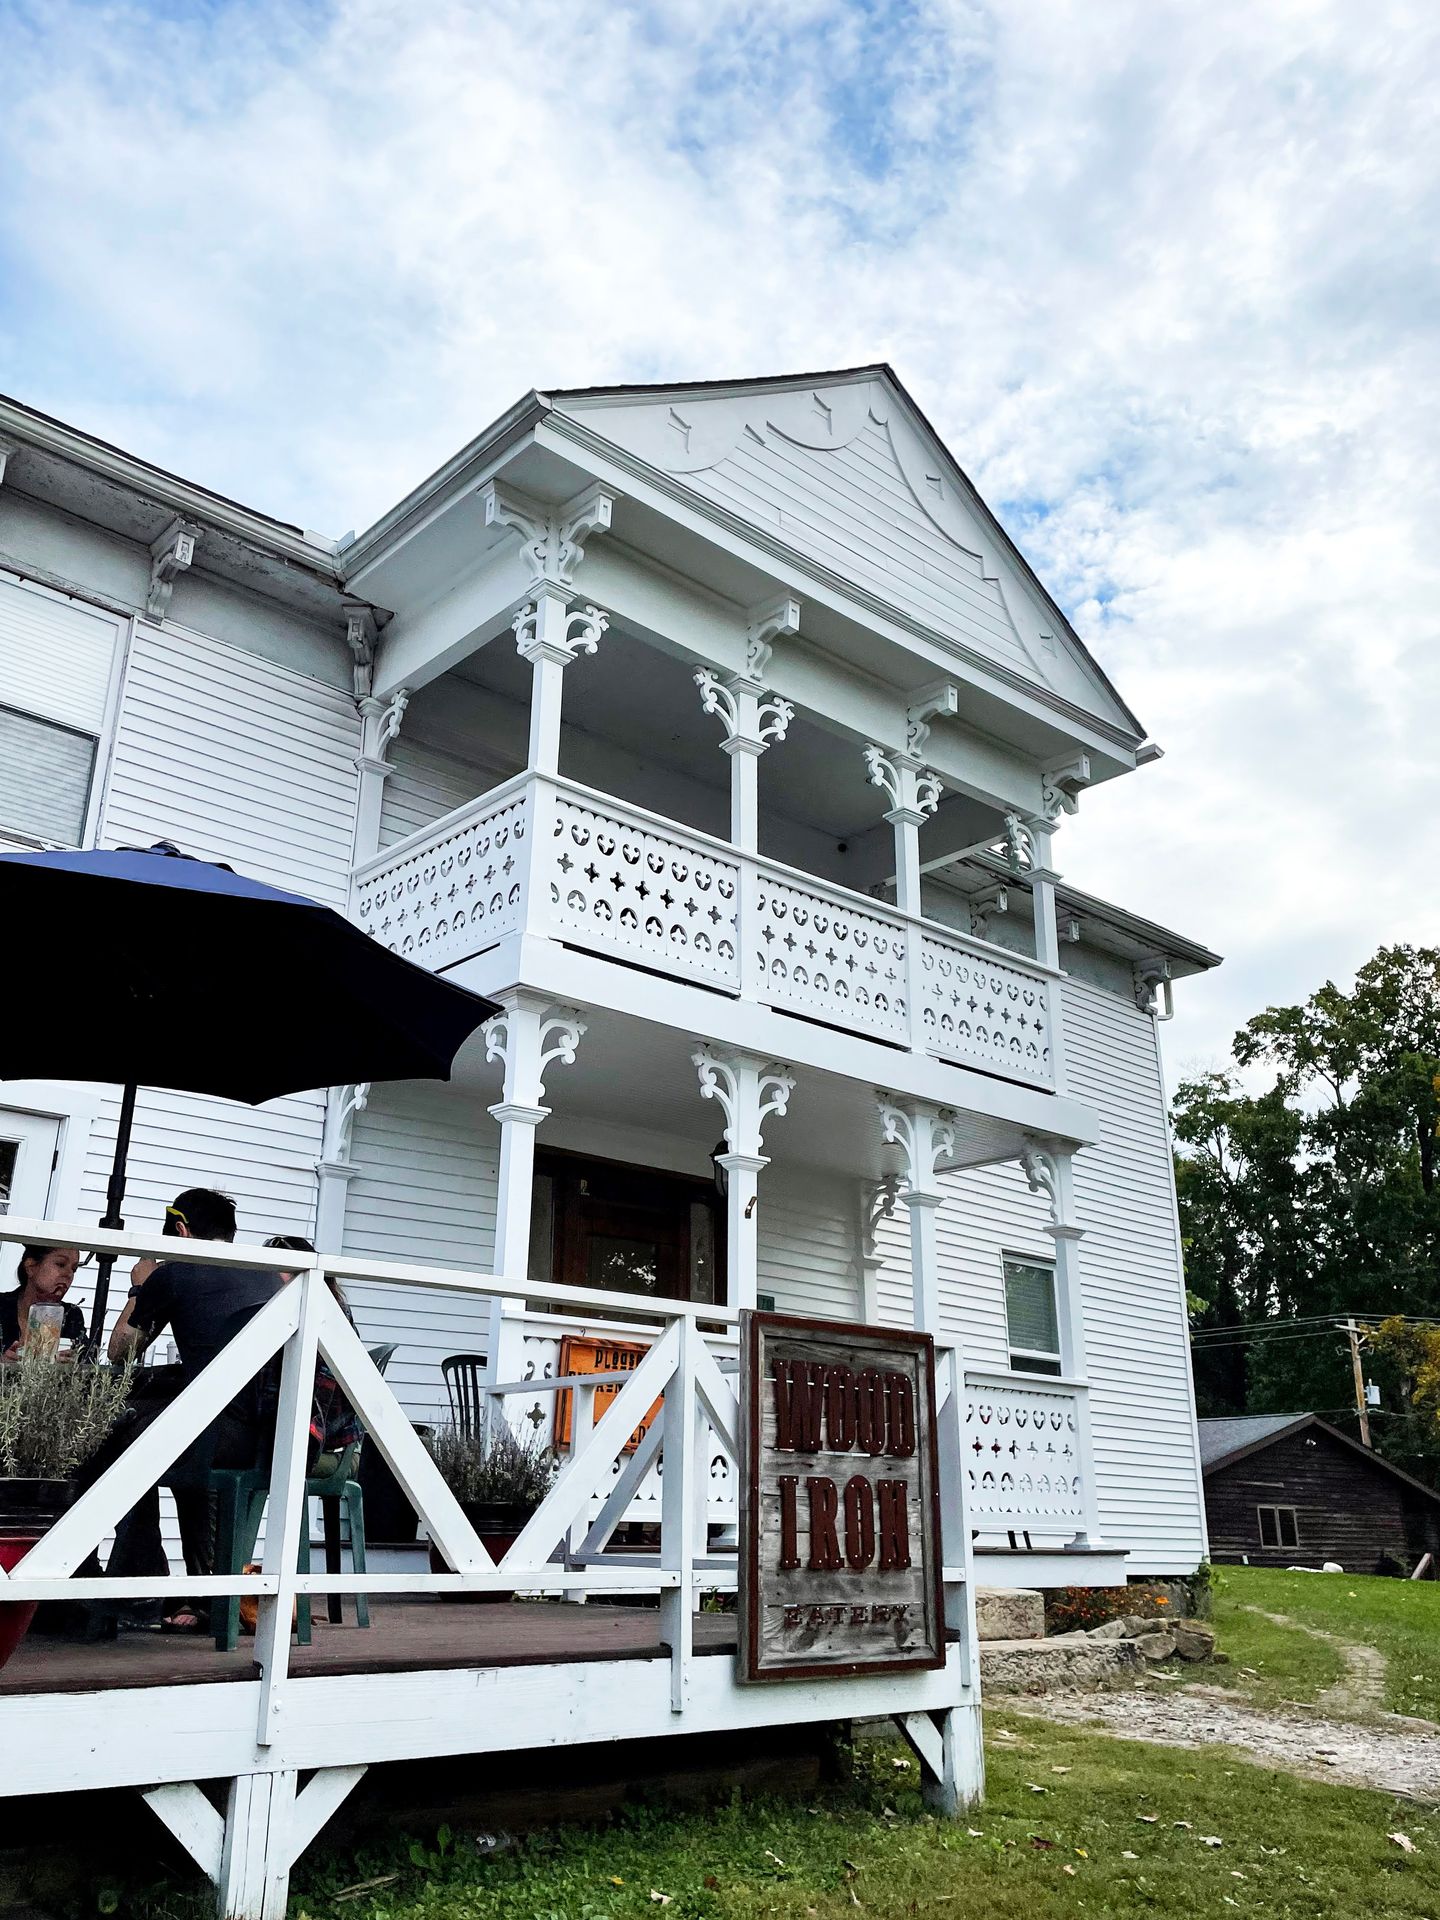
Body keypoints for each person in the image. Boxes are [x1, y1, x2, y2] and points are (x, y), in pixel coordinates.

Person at [107, 1188, 283, 1631]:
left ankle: (138, 1592)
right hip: (265, 1433)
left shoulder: (175, 1273)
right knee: (170, 1427)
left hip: (214, 1433)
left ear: (181, 1231)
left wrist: (140, 1287)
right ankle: (205, 1594)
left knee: (117, 1436)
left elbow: (120, 1351)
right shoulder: (266, 1275)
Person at [264, 1236, 363, 1469]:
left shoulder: (325, 1314)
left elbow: (314, 1413)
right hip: (325, 1438)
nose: (267, 1281)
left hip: (328, 1446)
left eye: (273, 1273)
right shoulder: (324, 1305)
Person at [0, 1245, 87, 1357]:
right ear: (30, 1267)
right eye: (60, 1264)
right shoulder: (2, 1306)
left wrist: (71, 1361)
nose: (69, 1274)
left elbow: (87, 1358)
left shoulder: (71, 1315)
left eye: (74, 1269)